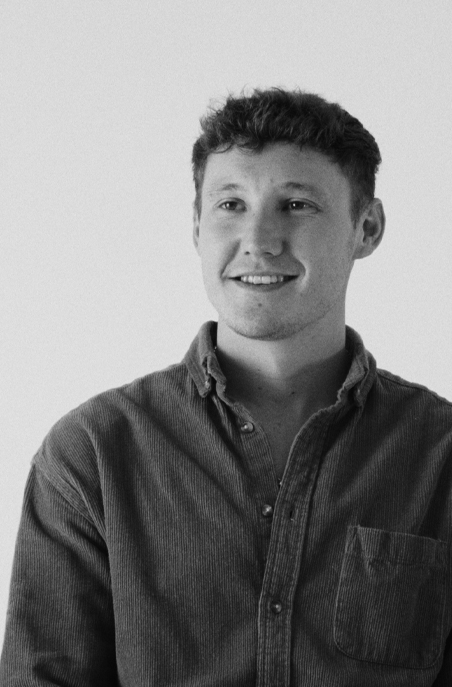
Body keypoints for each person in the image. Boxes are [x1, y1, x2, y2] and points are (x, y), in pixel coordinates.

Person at [1, 88, 451, 687]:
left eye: (296, 204)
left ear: (366, 228)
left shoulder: (440, 455)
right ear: (197, 227)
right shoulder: (91, 455)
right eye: (231, 204)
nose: (258, 240)